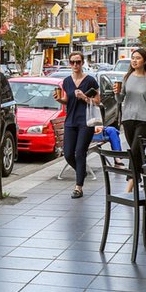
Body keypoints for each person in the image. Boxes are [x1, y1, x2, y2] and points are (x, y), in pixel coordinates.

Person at [53, 51, 98, 199]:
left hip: (86, 122)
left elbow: (98, 101)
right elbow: (67, 100)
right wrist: (60, 100)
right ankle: (81, 171)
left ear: (83, 63)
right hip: (70, 121)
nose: (76, 65)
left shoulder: (90, 80)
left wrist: (84, 97)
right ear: (69, 63)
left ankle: (78, 187)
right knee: (67, 153)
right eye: (73, 62)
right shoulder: (66, 81)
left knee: (80, 152)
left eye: (78, 62)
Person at [113, 48, 146, 189]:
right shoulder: (127, 77)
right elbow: (120, 99)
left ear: (145, 61)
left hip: (145, 120)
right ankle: (144, 177)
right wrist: (116, 93)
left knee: (134, 152)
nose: (134, 60)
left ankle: (129, 188)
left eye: (138, 58)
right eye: (133, 58)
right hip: (128, 119)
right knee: (138, 153)